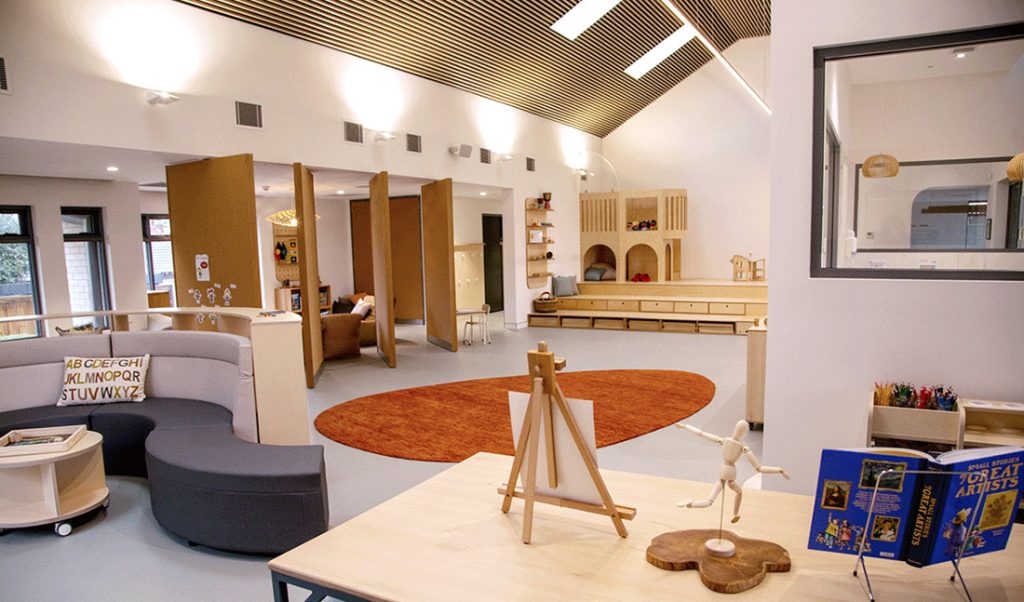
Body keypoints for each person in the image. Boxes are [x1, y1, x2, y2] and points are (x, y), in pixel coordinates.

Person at [676, 420, 790, 523]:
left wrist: (686, 426)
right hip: (731, 473)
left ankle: (691, 504)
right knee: (739, 492)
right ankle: (735, 513)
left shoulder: (723, 440)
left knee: (709, 501)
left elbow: (701, 433)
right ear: (744, 432)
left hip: (723, 471)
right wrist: (779, 470)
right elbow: (759, 468)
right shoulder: (743, 448)